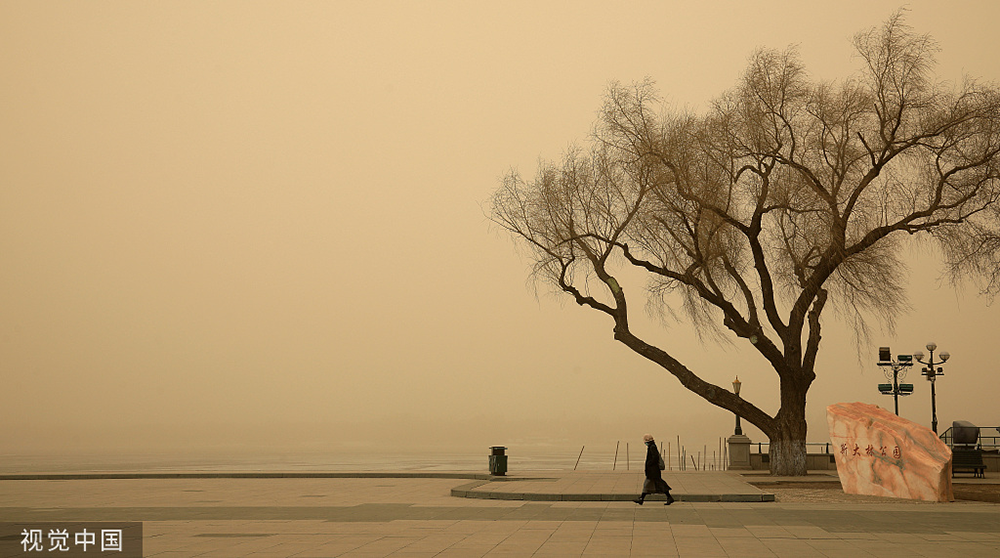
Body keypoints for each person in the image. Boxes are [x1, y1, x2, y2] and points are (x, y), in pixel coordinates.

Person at [633, 434, 674, 505]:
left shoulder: (652, 447)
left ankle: (641, 499)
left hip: (653, 471)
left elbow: (655, 458)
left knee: (655, 484)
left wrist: (649, 464)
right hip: (653, 471)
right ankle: (641, 499)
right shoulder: (652, 446)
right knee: (650, 484)